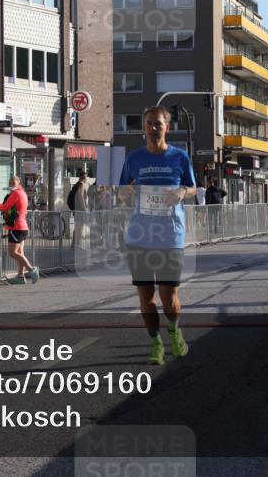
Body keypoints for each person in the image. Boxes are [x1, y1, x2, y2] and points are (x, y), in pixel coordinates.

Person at [119, 106, 197, 366]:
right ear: (144, 127)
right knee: (145, 296)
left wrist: (181, 193)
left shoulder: (180, 157)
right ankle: (155, 343)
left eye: (159, 124)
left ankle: (174, 331)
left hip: (170, 235)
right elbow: (122, 189)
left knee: (168, 296)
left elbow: (193, 188)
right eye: (150, 123)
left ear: (168, 127)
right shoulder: (134, 158)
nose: (154, 128)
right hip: (140, 236)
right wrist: (125, 193)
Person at [0, 176, 38, 284]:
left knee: (12, 252)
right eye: (10, 181)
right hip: (23, 227)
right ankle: (20, 276)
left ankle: (32, 269)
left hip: (16, 228)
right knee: (20, 253)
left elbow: (5, 207)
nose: (11, 183)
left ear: (19, 183)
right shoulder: (22, 193)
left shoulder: (16, 193)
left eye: (13, 181)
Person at [69, 171, 89, 250]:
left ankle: (73, 244)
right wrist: (84, 209)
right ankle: (78, 245)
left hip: (75, 209)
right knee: (80, 227)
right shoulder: (81, 185)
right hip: (80, 209)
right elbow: (80, 197)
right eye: (86, 177)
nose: (86, 179)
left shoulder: (75, 185)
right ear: (84, 177)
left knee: (76, 227)